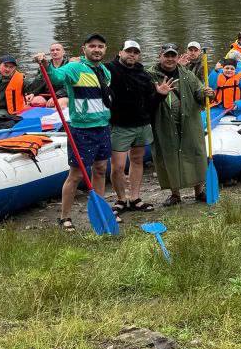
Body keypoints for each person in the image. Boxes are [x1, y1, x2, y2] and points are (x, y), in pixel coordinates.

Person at [35, 34, 114, 231]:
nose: (97, 49)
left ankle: (100, 209)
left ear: (105, 49)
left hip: (103, 127)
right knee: (76, 175)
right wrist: (44, 64)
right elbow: (55, 77)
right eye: (92, 46)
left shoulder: (105, 71)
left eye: (100, 46)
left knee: (101, 169)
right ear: (84, 49)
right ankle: (64, 217)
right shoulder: (74, 68)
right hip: (81, 130)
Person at [150, 43, 214, 204]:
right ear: (160, 56)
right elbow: (145, 99)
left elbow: (198, 93)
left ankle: (199, 191)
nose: (170, 59)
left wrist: (206, 93)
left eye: (173, 55)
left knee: (195, 152)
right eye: (167, 55)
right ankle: (175, 194)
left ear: (178, 57)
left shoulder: (187, 74)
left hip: (189, 120)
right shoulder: (150, 75)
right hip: (163, 122)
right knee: (169, 156)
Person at [107, 39, 158, 213]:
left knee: (137, 160)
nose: (132, 55)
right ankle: (121, 199)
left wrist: (160, 95)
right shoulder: (109, 69)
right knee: (118, 167)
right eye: (129, 51)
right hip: (119, 125)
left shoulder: (143, 74)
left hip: (141, 124)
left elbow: (151, 101)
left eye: (135, 52)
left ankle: (135, 198)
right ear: (120, 52)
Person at [24, 42, 69, 106]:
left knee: (58, 103)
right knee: (34, 101)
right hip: (47, 94)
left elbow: (70, 85)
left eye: (57, 50)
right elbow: (39, 81)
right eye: (52, 50)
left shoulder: (70, 65)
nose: (55, 52)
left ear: (63, 52)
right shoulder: (45, 65)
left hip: (64, 95)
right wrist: (33, 93)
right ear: (50, 53)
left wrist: (56, 96)